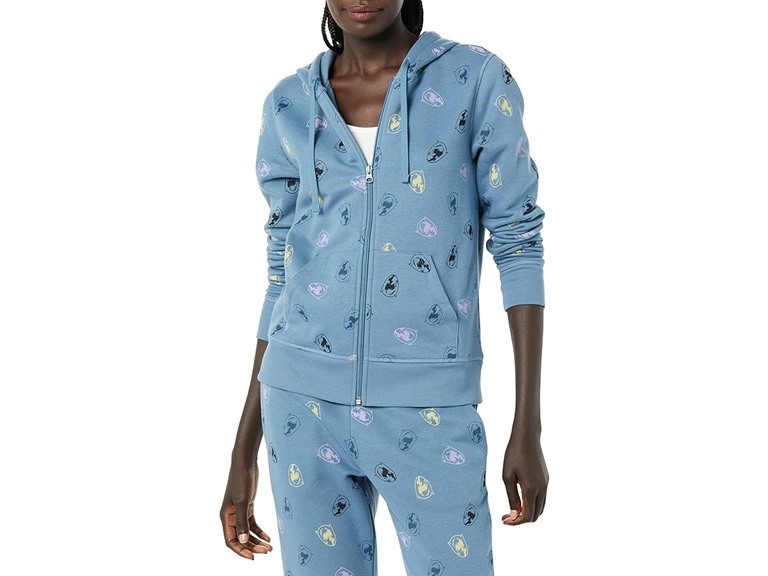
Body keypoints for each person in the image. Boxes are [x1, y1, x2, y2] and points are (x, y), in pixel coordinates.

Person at [220, 1, 548, 574]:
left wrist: (528, 422)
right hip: (300, 408)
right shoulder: (290, 103)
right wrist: (243, 447)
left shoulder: (474, 80)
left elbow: (519, 242)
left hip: (430, 408)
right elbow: (281, 273)